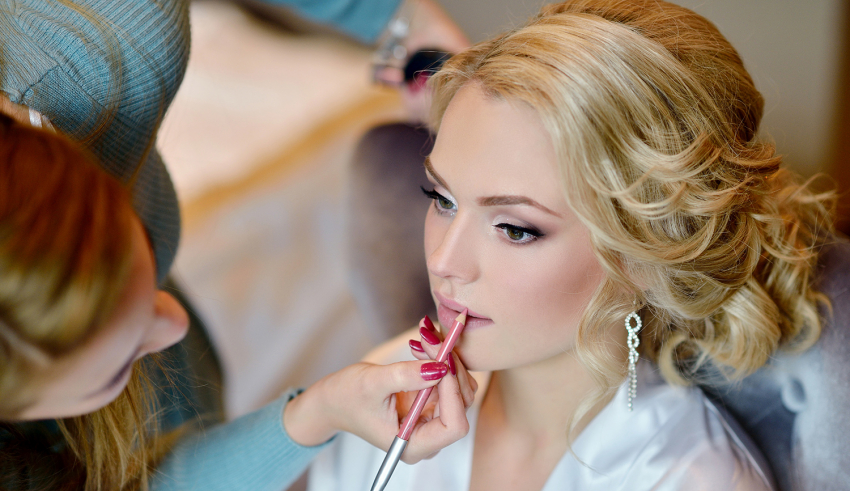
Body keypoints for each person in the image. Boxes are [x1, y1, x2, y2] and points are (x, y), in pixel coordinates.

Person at [310, 0, 836, 489]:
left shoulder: (686, 478)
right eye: (442, 199)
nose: (444, 261)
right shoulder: (383, 394)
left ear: (649, 254)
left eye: (515, 228)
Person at [0, 116, 478, 490]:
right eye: (115, 368)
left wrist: (396, 20)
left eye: (144, 248)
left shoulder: (99, 79)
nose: (178, 324)